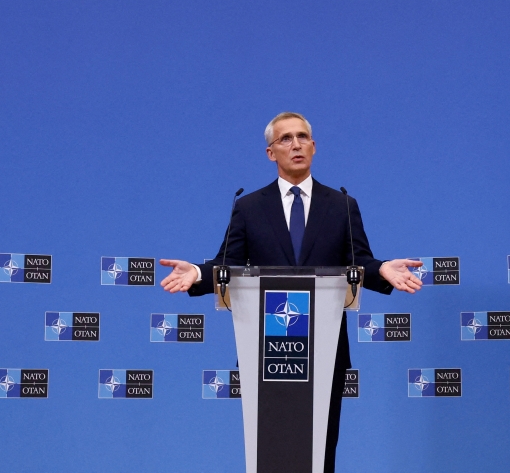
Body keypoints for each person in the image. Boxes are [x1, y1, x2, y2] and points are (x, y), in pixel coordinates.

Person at [159, 112, 422, 473]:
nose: (295, 144)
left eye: (302, 137)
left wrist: (382, 269)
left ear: (313, 147)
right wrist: (199, 273)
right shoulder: (248, 207)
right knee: (270, 449)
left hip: (325, 350)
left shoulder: (342, 204)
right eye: (285, 139)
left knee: (320, 452)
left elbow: (358, 260)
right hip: (266, 350)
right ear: (271, 152)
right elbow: (227, 264)